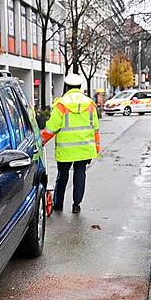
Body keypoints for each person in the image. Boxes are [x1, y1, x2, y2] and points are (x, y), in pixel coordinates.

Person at [40, 73, 101, 214]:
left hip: (65, 150)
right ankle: (76, 205)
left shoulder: (61, 104)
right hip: (84, 148)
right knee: (80, 175)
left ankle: (58, 204)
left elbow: (51, 128)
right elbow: (95, 128)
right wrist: (96, 147)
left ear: (66, 87)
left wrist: (41, 141)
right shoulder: (90, 104)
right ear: (80, 87)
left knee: (62, 175)